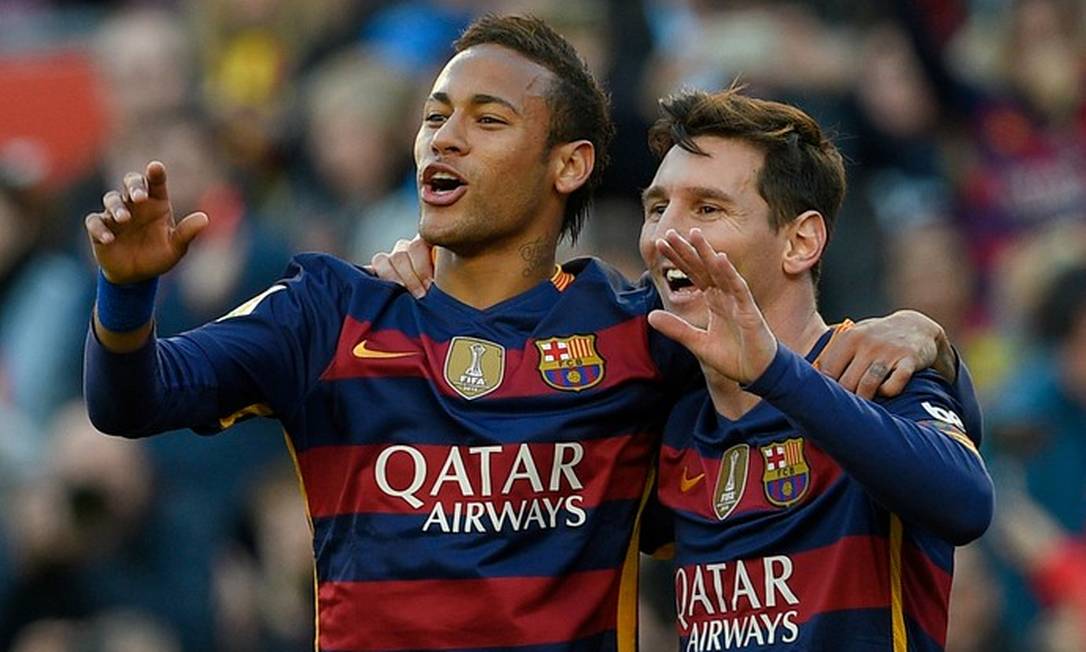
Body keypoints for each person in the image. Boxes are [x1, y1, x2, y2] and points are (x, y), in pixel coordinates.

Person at [84, 14, 957, 652]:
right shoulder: (328, 311)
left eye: (487, 120)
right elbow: (132, 400)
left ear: (569, 164)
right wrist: (127, 293)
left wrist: (924, 336)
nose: (444, 140)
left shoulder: (646, 337)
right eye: (433, 116)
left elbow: (791, 378)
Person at [638, 88, 993, 651]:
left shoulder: (873, 370)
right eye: (658, 208)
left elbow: (968, 504)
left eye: (707, 208)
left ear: (801, 242)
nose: (665, 236)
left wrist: (777, 373)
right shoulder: (674, 417)